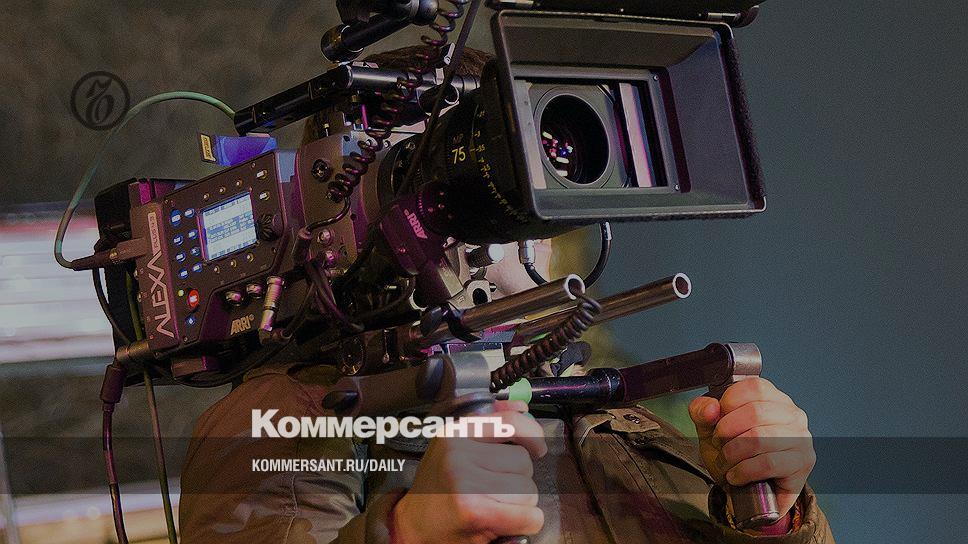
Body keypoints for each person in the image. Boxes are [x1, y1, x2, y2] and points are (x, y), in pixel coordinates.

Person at [179, 47, 834, 544]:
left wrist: (776, 514)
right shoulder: (293, 414)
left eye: (520, 181)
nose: (491, 223)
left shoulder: (615, 416)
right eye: (429, 186)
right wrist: (407, 531)